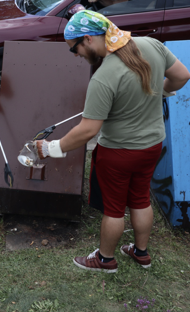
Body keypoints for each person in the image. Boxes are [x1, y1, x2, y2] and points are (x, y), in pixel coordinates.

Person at [36, 10, 190, 273]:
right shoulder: (150, 44)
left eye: (74, 48)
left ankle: (105, 260)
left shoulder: (104, 77)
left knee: (115, 208)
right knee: (141, 198)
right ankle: (141, 253)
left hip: (118, 153)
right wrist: (160, 92)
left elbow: (88, 130)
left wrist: (51, 148)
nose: (76, 55)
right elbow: (182, 76)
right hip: (152, 146)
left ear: (87, 39)